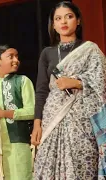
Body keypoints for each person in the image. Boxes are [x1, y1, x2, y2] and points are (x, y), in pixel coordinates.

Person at [31, 1, 106, 179]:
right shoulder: (47, 53)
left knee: (83, 168)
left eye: (69, 16)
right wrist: (37, 124)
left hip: (82, 122)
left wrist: (76, 82)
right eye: (58, 18)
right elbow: (41, 90)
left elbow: (101, 83)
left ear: (78, 21)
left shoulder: (90, 50)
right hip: (52, 118)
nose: (63, 21)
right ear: (54, 25)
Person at [0, 45, 35, 180]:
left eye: (17, 57)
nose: (16, 60)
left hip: (18, 144)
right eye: (11, 56)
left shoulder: (22, 81)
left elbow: (32, 110)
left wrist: (3, 113)